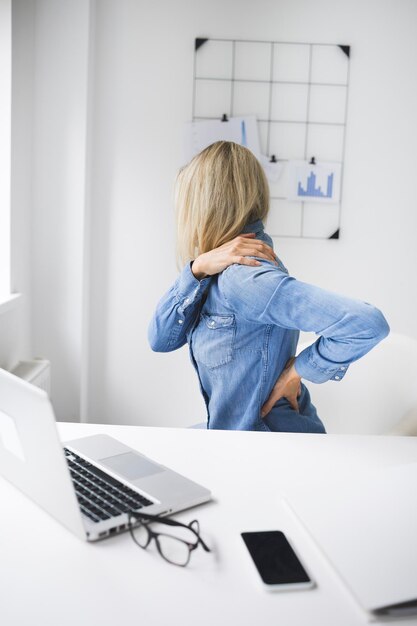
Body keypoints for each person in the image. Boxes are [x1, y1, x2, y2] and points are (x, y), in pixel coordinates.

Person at [148, 141, 389, 432]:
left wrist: (298, 370)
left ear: (205, 208)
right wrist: (196, 268)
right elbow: (160, 339)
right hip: (236, 435)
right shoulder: (213, 271)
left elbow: (366, 324)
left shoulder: (243, 279)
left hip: (269, 445)